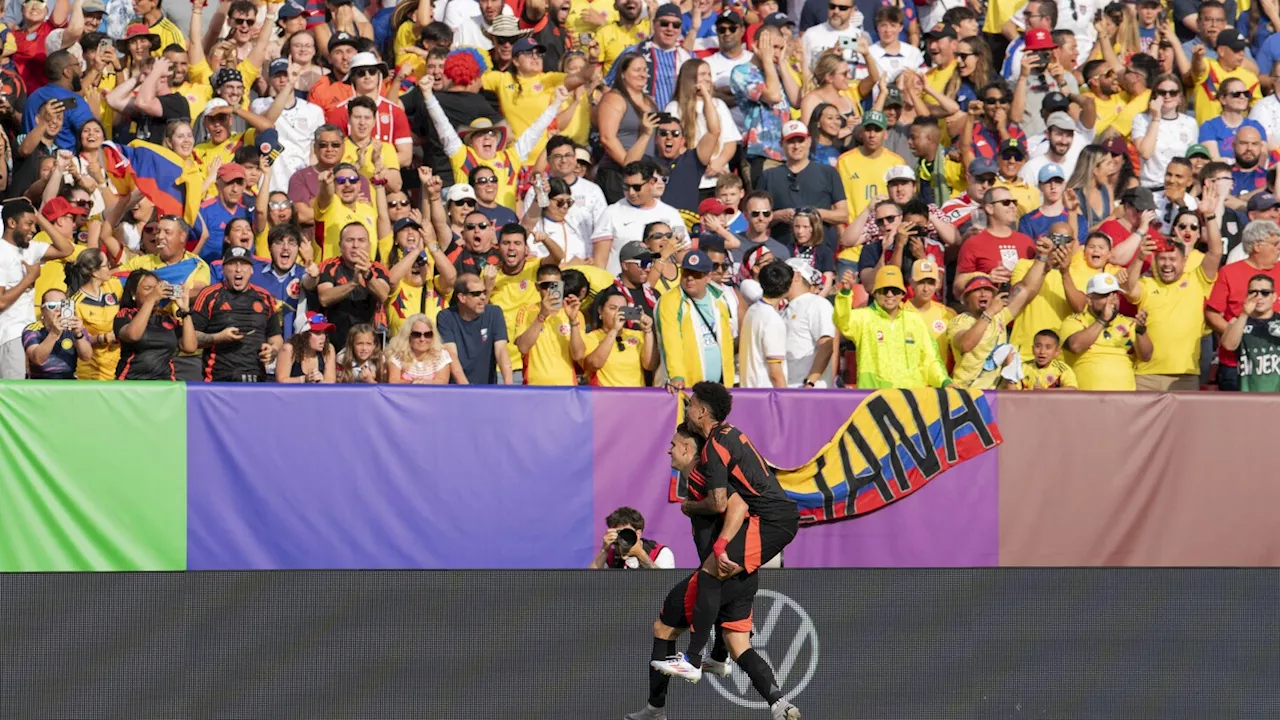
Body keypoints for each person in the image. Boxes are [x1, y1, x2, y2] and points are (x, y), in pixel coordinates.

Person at [651, 382, 803, 720]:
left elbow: (725, 502)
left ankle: (691, 662)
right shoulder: (727, 436)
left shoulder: (714, 448)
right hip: (773, 520)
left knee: (708, 573)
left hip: (772, 521)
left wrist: (694, 512)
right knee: (726, 604)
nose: (687, 410)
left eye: (689, 405)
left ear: (702, 412)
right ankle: (764, 694)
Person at [623, 423, 746, 720]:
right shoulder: (695, 479)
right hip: (715, 572)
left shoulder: (706, 476)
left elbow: (739, 505)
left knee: (731, 641)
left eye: (674, 445)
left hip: (720, 571)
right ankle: (657, 707)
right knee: (666, 628)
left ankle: (709, 663)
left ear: (688, 449)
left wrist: (722, 548)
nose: (669, 450)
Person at [947, 238, 1051, 389]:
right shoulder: (958, 321)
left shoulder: (1000, 315)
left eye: (988, 290)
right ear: (966, 298)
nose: (983, 294)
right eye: (977, 290)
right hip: (966, 393)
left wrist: (1041, 257)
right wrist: (989, 313)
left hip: (994, 396)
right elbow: (966, 344)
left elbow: (1025, 288)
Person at [834, 265, 951, 388]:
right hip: (874, 397)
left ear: (902, 294)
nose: (890, 295)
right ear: (874, 293)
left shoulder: (914, 320)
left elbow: (930, 359)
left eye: (895, 291)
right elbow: (842, 321)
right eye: (884, 290)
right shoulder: (863, 318)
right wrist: (845, 293)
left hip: (910, 397)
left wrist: (944, 381)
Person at [183, 247, 282, 382]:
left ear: (252, 270)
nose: (238, 269)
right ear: (223, 269)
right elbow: (189, 338)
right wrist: (217, 337)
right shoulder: (209, 295)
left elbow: (275, 336)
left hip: (256, 378)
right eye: (232, 264)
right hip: (218, 378)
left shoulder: (265, 297)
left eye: (244, 264)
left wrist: (273, 349)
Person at [0, 198, 74, 379]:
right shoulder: (1, 252)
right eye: (29, 224)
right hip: (10, 333)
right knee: (13, 392)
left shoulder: (31, 248)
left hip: (31, 331)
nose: (33, 230)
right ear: (11, 223)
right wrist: (30, 279)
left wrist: (39, 217)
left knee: (29, 389)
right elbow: (1, 302)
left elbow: (66, 249)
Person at [1205, 220, 1280, 391]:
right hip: (1236, 362)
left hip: (1275, 364)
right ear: (1257, 246)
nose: (1279, 248)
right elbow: (1212, 313)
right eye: (1275, 244)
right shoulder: (1229, 272)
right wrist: (1240, 335)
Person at [654, 250, 736, 390]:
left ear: (708, 276)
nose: (690, 278)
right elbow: (671, 341)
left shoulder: (721, 298)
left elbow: (727, 340)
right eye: (686, 273)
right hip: (685, 387)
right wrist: (677, 376)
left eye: (697, 274)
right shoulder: (670, 301)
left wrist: (729, 381)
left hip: (720, 386)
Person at [1059, 272, 1154, 391]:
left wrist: (1141, 331)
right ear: (1089, 300)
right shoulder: (1075, 321)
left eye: (1115, 294)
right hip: (1086, 398)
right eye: (1105, 295)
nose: (1111, 300)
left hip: (1123, 400)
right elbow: (1075, 345)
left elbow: (1146, 356)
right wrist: (1103, 320)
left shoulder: (1129, 323)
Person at [592, 161, 686, 274]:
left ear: (651, 183)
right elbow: (599, 261)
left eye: (637, 187)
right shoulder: (611, 213)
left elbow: (682, 255)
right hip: (620, 287)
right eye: (626, 187)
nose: (631, 192)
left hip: (663, 287)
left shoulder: (671, 214)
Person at [316, 221, 391, 347]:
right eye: (350, 240)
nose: (355, 245)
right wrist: (353, 283)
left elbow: (383, 295)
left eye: (361, 240)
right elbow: (324, 298)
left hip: (369, 343)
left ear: (369, 246)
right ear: (340, 245)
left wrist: (367, 275)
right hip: (335, 342)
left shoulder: (378, 269)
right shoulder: (329, 266)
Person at [953, 187, 1035, 298]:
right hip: (990, 310)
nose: (1012, 206)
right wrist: (985, 279)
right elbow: (957, 287)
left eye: (1014, 202)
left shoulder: (1027, 242)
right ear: (989, 208)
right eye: (1006, 203)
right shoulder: (973, 243)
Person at [514, 264, 585, 385]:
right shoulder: (526, 311)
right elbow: (523, 348)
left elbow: (578, 355)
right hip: (534, 386)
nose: (549, 291)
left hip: (567, 386)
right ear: (537, 287)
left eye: (555, 286)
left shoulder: (574, 313)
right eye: (545, 286)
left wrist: (573, 321)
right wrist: (541, 316)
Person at [437, 272, 513, 385]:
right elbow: (451, 355)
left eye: (484, 292)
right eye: (476, 294)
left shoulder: (494, 313)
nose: (483, 297)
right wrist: (467, 389)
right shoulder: (446, 317)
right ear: (462, 297)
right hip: (457, 389)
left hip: (487, 388)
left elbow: (501, 350)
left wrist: (508, 384)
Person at [113, 269, 184, 381]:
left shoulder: (167, 319)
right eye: (148, 288)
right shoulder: (126, 315)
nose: (153, 292)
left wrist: (186, 311)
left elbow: (190, 346)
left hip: (165, 383)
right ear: (133, 293)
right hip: (131, 382)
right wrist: (150, 300)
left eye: (156, 289)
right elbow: (133, 335)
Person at [836, 111, 906, 219]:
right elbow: (836, 200)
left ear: (885, 134)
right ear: (861, 133)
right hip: (854, 229)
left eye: (877, 130)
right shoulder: (844, 161)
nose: (872, 135)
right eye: (868, 130)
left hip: (885, 227)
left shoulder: (897, 162)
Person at [1221, 274, 1280, 391]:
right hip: (1248, 394)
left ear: (1274, 297)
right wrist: (1244, 314)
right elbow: (1228, 346)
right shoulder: (1237, 321)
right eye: (1253, 293)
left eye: (1265, 292)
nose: (1259, 297)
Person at [782, 259, 835, 387]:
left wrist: (810, 382)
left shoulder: (817, 303)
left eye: (784, 275)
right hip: (787, 389)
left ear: (797, 276)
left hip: (810, 391)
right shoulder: (783, 310)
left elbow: (827, 345)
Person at [738, 260, 791, 388]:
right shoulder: (773, 320)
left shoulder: (752, 310)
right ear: (787, 287)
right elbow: (775, 373)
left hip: (749, 390)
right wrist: (786, 401)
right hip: (766, 396)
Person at [23, 288, 92, 379]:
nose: (58, 310)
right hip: (40, 383)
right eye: (52, 306)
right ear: (43, 310)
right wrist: (54, 333)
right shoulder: (33, 330)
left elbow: (86, 357)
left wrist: (78, 334)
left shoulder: (73, 327)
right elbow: (37, 359)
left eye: (62, 305)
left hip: (67, 381)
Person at [588, 506, 675, 569]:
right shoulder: (610, 555)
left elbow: (666, 584)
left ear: (638, 533)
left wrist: (640, 554)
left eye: (626, 532)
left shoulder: (659, 552)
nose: (623, 537)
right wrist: (604, 550)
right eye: (618, 533)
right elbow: (590, 582)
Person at [385, 313, 451, 384]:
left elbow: (443, 382)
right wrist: (411, 383)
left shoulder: (441, 356)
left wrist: (423, 383)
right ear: (407, 335)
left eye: (427, 334)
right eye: (416, 334)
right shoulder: (397, 355)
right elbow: (393, 381)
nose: (422, 339)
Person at [275, 312, 338, 384]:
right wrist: (304, 379)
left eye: (324, 333)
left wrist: (321, 381)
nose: (323, 337)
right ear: (303, 335)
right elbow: (280, 381)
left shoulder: (328, 349)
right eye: (317, 333)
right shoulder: (289, 349)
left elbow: (331, 382)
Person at [1005, 328, 1078, 389]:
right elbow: (1012, 394)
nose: (1042, 351)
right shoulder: (1022, 367)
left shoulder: (1062, 369)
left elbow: (1072, 389)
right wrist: (1010, 368)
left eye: (1048, 347)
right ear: (1033, 349)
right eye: (1038, 346)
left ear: (1057, 352)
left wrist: (1045, 392)